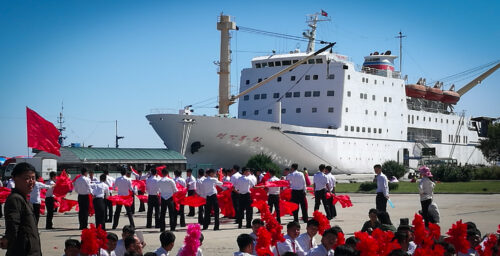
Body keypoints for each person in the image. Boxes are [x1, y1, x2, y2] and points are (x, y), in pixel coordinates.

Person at [2, 162, 41, 255]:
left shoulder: (25, 199)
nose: (31, 181)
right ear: (15, 178)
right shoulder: (15, 199)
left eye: (33, 178)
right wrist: (7, 239)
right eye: (27, 178)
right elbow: (12, 226)